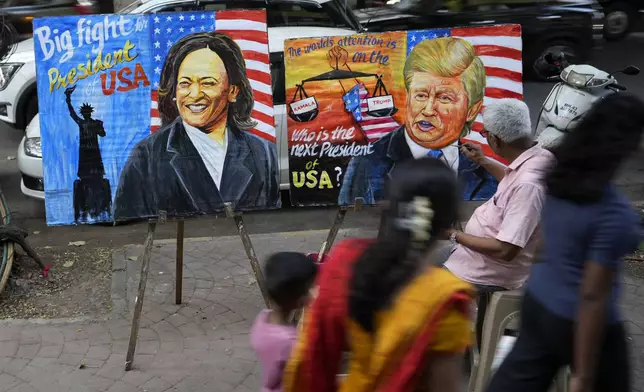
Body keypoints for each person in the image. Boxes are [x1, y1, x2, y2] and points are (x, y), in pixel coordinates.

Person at [486, 93, 644, 392]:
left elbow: (544, 245)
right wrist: (583, 374)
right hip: (577, 320)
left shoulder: (556, 177)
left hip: (538, 301)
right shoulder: (613, 214)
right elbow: (593, 297)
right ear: (628, 146)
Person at [283, 157, 475, 392]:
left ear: (390, 208)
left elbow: (312, 358)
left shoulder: (347, 263)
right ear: (447, 224)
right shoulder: (445, 300)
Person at [113, 32, 279, 221]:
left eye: (208, 83)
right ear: (174, 91)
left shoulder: (264, 154)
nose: (195, 94)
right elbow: (128, 220)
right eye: (185, 83)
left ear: (233, 91)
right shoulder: (146, 157)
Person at [443, 98, 554, 346]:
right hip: (475, 254)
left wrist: (453, 234)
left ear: (495, 139)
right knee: (422, 261)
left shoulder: (529, 185)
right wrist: (483, 161)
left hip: (491, 269)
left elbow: (506, 250)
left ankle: (441, 352)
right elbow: (512, 179)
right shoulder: (538, 156)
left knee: (421, 285)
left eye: (485, 134)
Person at [338, 37, 496, 205]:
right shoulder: (366, 164)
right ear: (408, 97)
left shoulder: (487, 174)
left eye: (444, 98)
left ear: (471, 110)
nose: (428, 110)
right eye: (420, 95)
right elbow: (354, 223)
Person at [250, 252, 317, 392]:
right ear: (299, 298)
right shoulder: (290, 342)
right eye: (310, 287)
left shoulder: (263, 319)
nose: (313, 292)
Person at [65, 84, 112, 222]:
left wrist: (68, 98)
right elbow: (102, 134)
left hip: (89, 154)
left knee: (93, 179)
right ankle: (92, 209)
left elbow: (102, 134)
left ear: (87, 113)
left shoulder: (86, 123)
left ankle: (93, 209)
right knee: (90, 179)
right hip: (89, 154)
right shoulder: (90, 123)